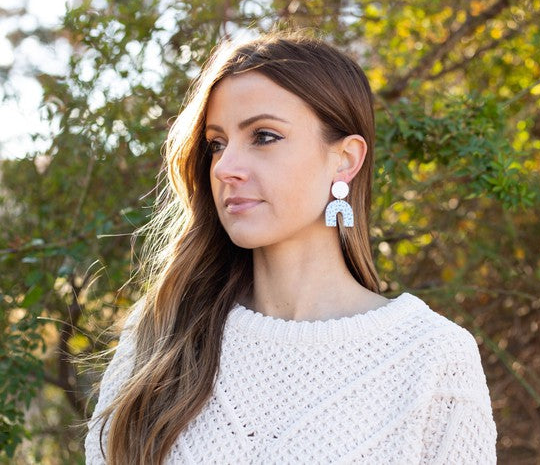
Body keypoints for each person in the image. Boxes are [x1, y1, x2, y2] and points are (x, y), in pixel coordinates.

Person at [84, 31, 497, 464]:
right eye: (216, 144)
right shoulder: (161, 334)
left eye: (263, 136)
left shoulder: (430, 357)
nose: (226, 167)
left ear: (345, 159)